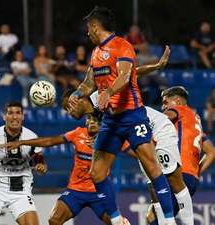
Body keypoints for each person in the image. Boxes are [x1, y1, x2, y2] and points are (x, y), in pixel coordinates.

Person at [68, 6, 176, 225]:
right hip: (111, 120)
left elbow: (125, 76)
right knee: (97, 172)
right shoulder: (96, 53)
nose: (87, 32)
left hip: (133, 115)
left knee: (152, 167)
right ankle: (117, 221)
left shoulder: (122, 45)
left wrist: (108, 92)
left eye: (88, 27)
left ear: (95, 26)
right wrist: (77, 94)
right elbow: (89, 82)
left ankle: (170, 221)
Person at [1, 115, 119, 225]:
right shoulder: (78, 133)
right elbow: (50, 141)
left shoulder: (110, 138)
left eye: (96, 119)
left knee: (116, 222)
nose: (92, 122)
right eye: (89, 118)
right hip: (75, 191)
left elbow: (132, 148)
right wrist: (22, 142)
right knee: (54, 220)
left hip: (99, 191)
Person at [160, 86, 215, 223]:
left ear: (177, 101)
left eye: (166, 102)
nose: (163, 106)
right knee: (158, 217)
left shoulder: (180, 110)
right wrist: (197, 171)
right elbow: (212, 152)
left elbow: (160, 120)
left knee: (158, 218)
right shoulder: (193, 121)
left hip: (178, 174)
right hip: (190, 177)